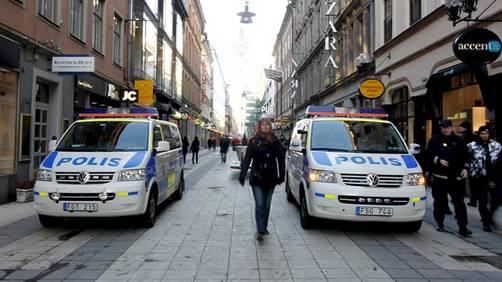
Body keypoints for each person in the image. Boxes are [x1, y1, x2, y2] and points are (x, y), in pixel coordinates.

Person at [239, 119, 285, 241]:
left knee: (267, 204)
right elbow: (247, 159)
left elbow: (281, 159)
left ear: (270, 127)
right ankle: (260, 229)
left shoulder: (275, 141)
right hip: (257, 177)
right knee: (260, 204)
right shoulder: (253, 141)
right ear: (259, 127)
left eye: (267, 125)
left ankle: (263, 227)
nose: (265, 127)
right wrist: (242, 174)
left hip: (271, 178)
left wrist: (282, 175)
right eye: (263, 125)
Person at [425, 119, 471, 236]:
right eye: (444, 127)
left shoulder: (459, 141)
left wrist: (466, 168)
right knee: (439, 202)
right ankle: (440, 223)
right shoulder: (435, 140)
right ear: (441, 128)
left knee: (459, 203)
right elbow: (428, 156)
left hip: (456, 177)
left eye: (448, 127)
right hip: (440, 177)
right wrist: (438, 160)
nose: (446, 129)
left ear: (451, 128)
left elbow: (466, 156)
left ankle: (463, 226)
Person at [467, 126, 502, 232]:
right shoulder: (471, 146)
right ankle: (486, 223)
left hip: (494, 177)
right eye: (482, 133)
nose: (484, 135)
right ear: (478, 134)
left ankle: (489, 216)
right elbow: (465, 158)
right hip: (479, 177)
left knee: (497, 199)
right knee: (482, 201)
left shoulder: (496, 146)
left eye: (486, 133)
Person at [458, 121, 477, 207]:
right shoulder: (472, 137)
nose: (459, 129)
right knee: (472, 182)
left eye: (461, 127)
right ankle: (473, 199)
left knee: (469, 182)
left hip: (468, 162)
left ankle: (471, 199)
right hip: (472, 163)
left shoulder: (465, 137)